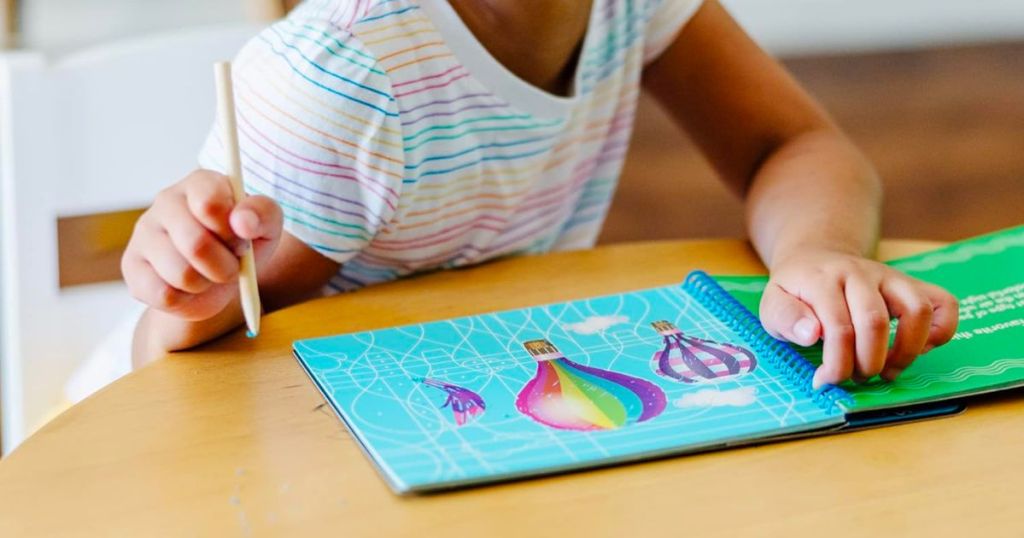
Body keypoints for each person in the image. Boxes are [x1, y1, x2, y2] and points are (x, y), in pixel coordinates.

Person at [122, 0, 959, 388]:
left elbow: (794, 143)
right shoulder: (346, 82)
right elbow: (182, 364)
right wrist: (188, 284)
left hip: (499, 398)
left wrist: (816, 250)